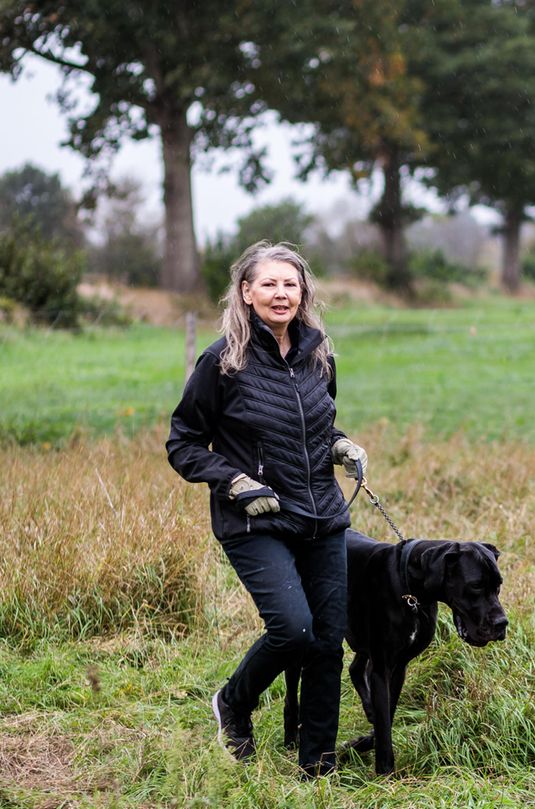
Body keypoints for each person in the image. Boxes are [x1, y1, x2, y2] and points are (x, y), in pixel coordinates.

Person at [166, 241, 368, 778]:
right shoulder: (222, 362)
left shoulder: (319, 356)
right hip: (254, 520)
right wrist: (234, 481)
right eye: (269, 284)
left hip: (322, 516)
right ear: (246, 292)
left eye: (290, 284)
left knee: (327, 643)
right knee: (294, 630)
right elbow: (183, 444)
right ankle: (233, 702)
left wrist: (341, 446)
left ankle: (317, 767)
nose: (281, 294)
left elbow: (316, 426)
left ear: (303, 294)